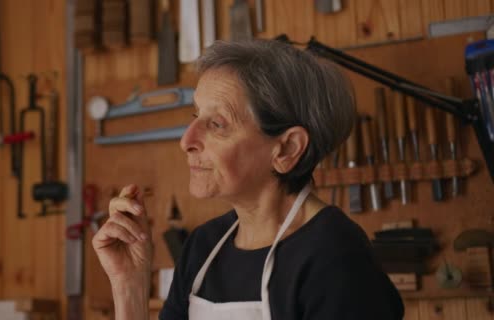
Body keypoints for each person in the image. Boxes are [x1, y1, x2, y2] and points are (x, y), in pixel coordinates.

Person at [92, 38, 405, 320]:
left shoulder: (335, 257)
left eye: (216, 123)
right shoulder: (203, 246)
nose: (186, 139)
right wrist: (129, 287)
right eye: (195, 116)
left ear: (286, 149)